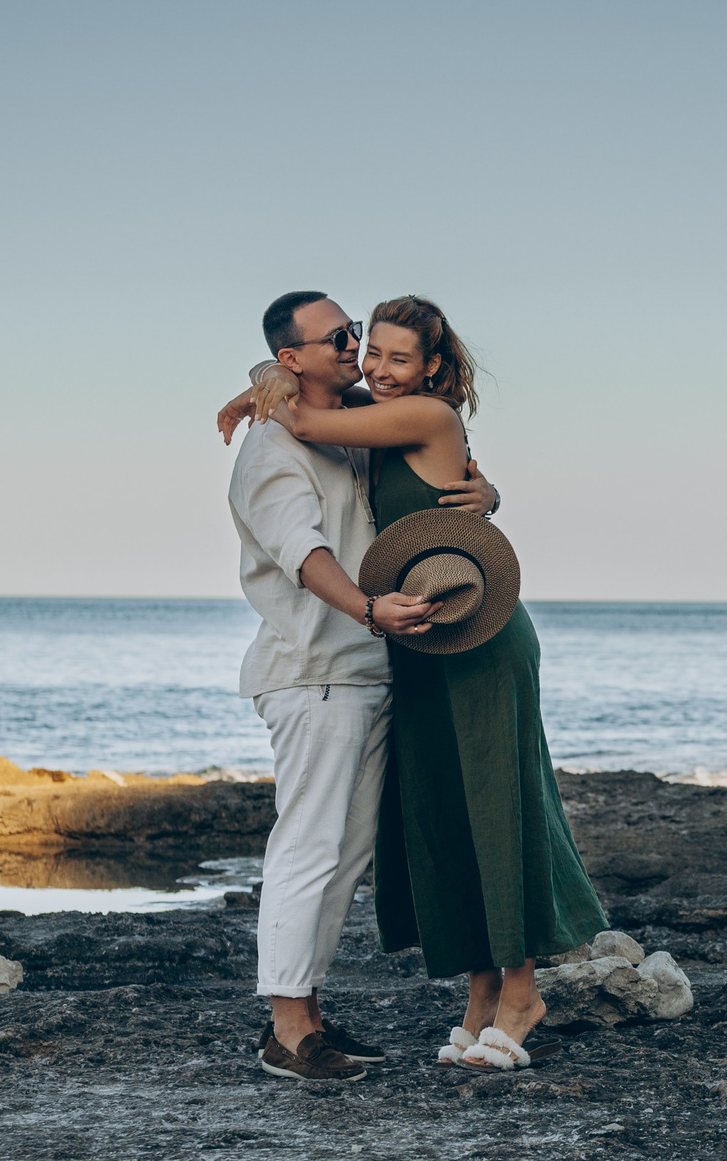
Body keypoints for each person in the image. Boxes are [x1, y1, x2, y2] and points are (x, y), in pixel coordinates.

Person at [248, 296, 608, 1070]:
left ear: (432, 367)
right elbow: (313, 412)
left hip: (476, 639)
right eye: (361, 346)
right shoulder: (364, 419)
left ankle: (520, 992)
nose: (371, 363)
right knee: (451, 812)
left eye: (392, 355)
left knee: (499, 805)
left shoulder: (425, 417)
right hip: (412, 648)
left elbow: (308, 416)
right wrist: (265, 384)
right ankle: (479, 995)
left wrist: (258, 386)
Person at [222, 291, 499, 1083]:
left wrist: (490, 495)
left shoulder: (349, 425)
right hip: (315, 673)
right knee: (309, 843)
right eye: (339, 337)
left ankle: (306, 1011)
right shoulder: (271, 447)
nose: (355, 347)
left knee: (344, 854)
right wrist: (372, 607)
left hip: (366, 670)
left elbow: (431, 467)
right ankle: (285, 1028)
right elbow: (304, 555)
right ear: (292, 358)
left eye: (356, 334)